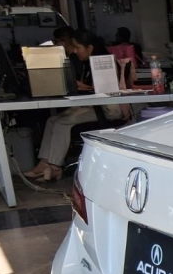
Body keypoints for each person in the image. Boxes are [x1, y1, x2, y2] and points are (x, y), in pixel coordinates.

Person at [25, 29, 121, 182]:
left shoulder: (103, 62)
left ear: (90, 48)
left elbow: (103, 92)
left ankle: (55, 167)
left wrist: (81, 87)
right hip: (94, 107)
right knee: (52, 121)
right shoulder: (88, 62)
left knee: (62, 123)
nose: (75, 51)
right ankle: (44, 163)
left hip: (107, 110)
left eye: (78, 47)